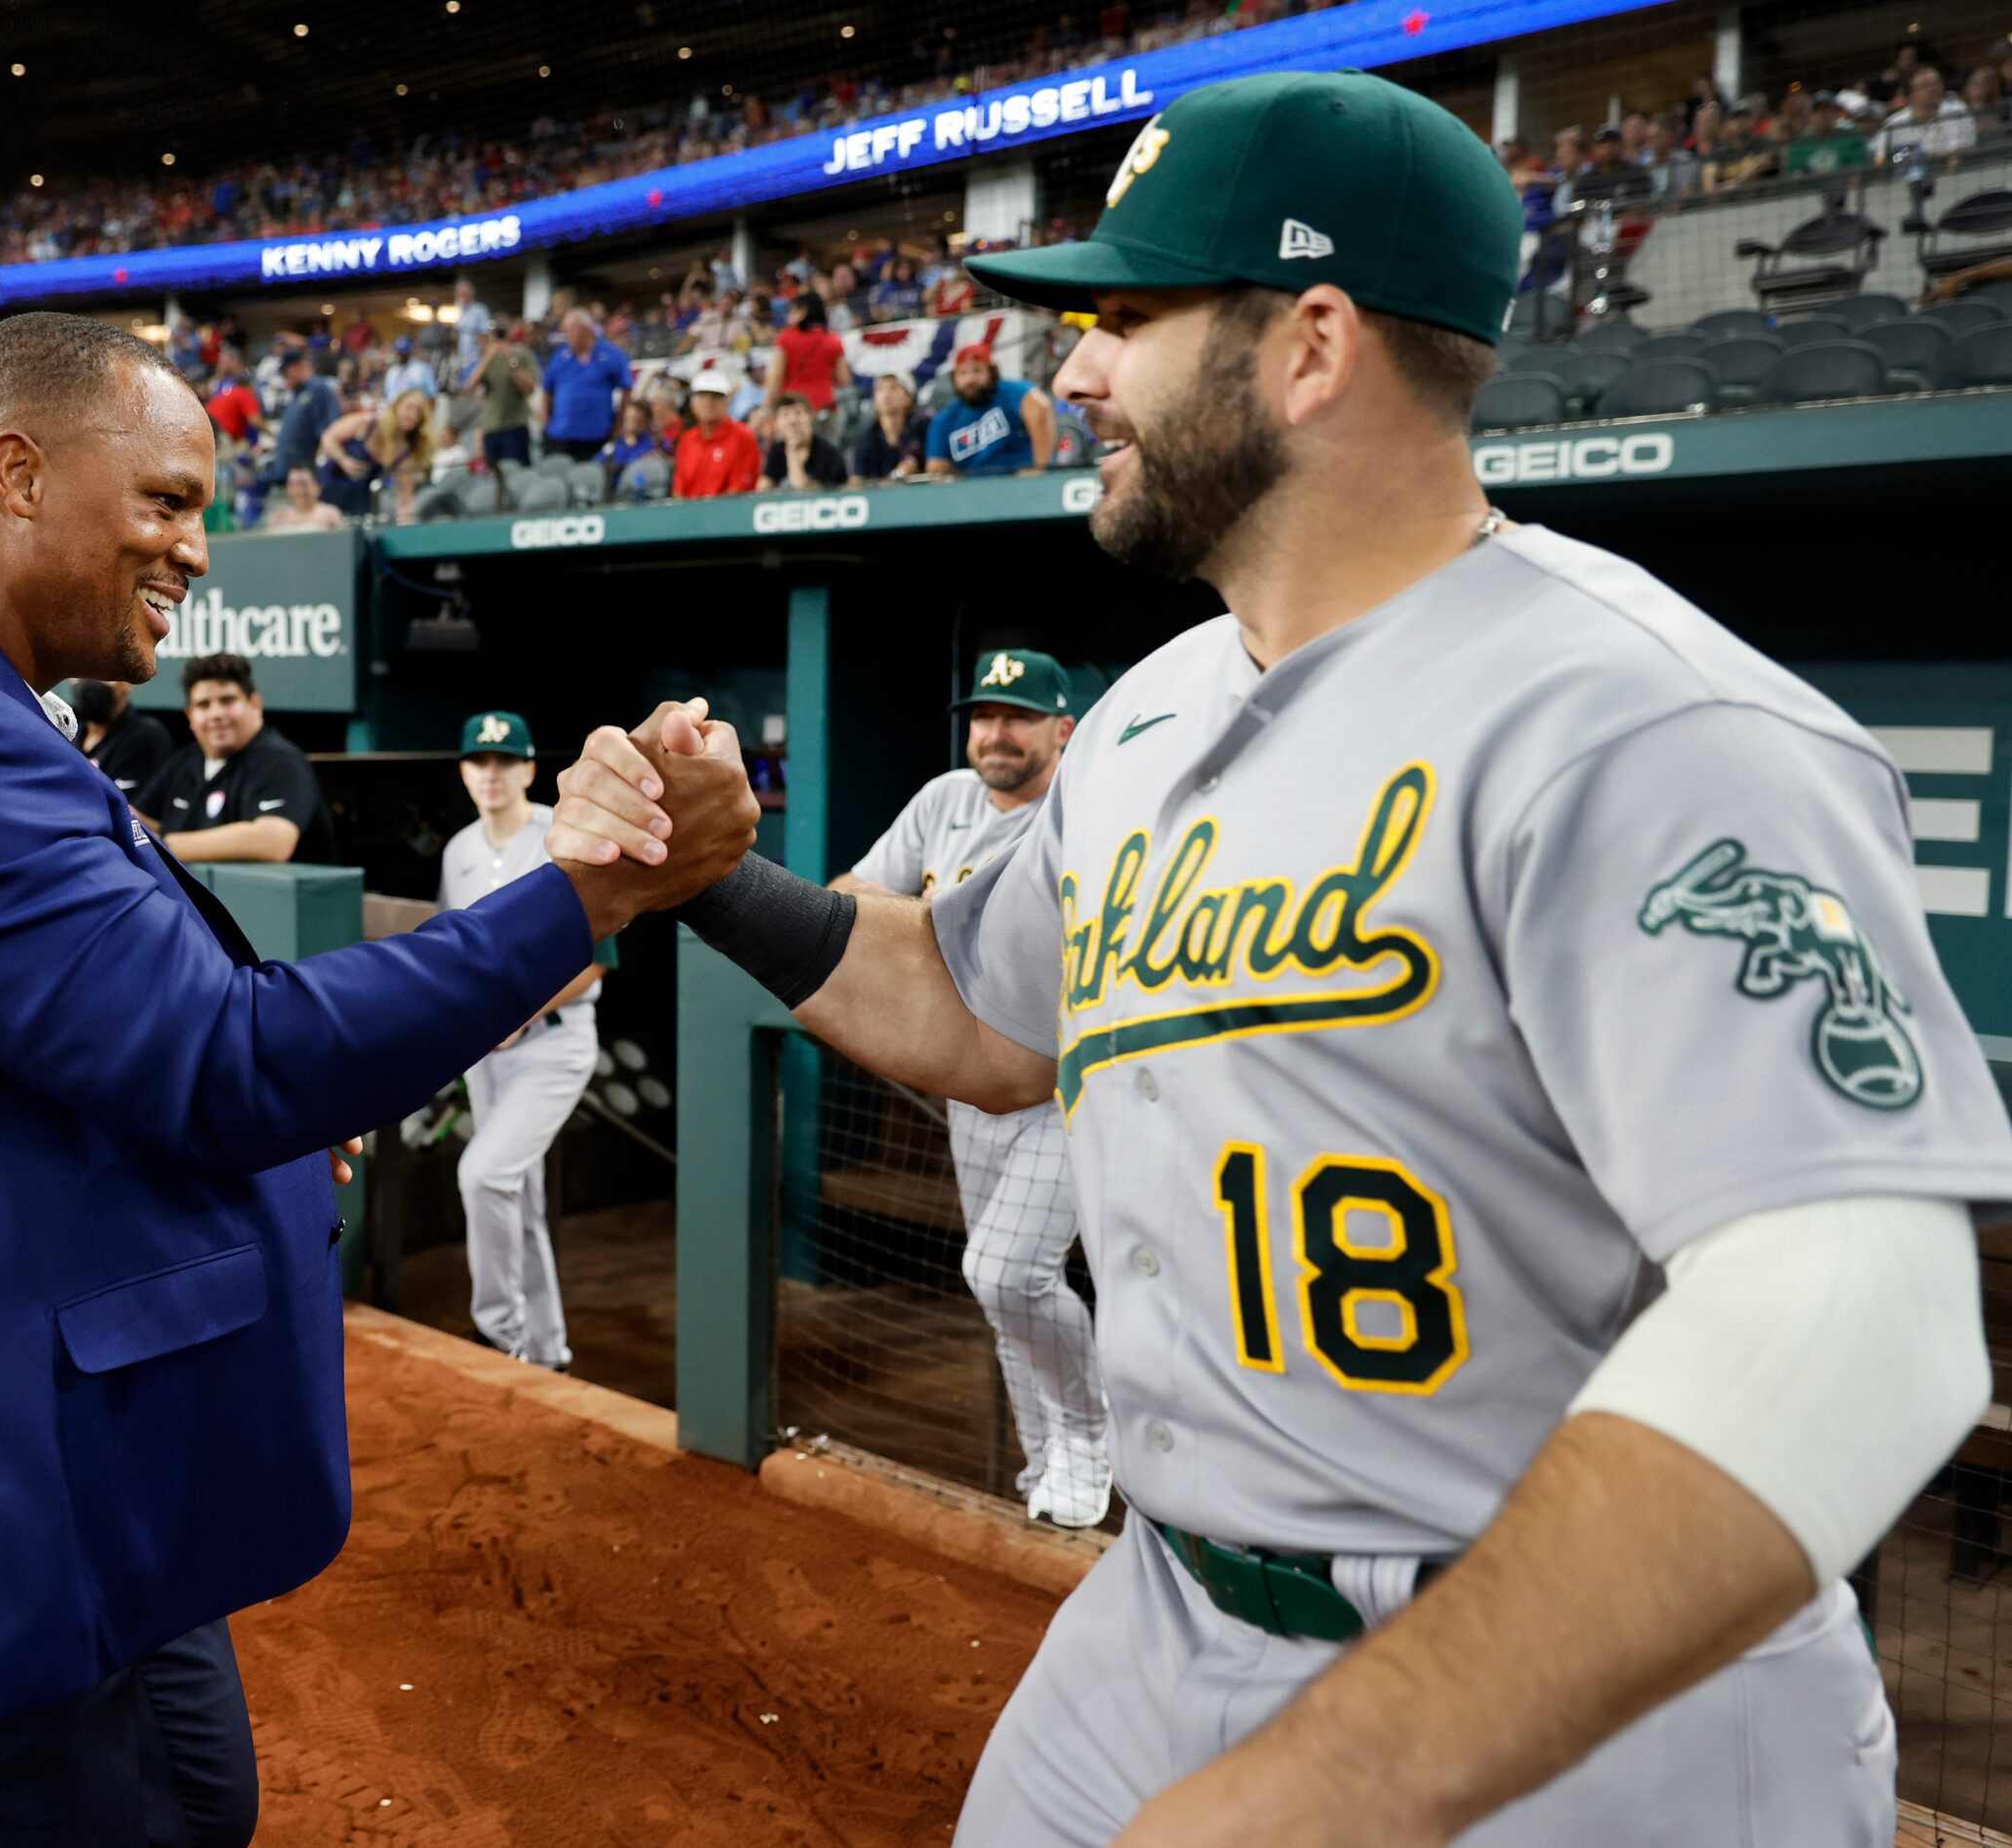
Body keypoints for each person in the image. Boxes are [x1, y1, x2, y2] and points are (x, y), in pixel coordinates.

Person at [551, 68, 2003, 1846]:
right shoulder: (1155, 709)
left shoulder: (1639, 722)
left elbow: (1867, 1313)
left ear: (1309, 345)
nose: (1068, 374)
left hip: (1577, 1690)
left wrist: (1342, 1777)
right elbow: (978, 1004)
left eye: (1130, 318)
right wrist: (717, 878)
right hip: (1164, 1603)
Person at [0, 311, 752, 1846]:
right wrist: (589, 888)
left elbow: (69, 1051)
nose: (195, 549)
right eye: (167, 501)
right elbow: (227, 1056)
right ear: (21, 473)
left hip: (21, 1469)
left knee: (201, 1800)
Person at [830, 647, 1113, 1525]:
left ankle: (1096, 1442)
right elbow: (848, 891)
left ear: (1063, 730)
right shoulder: (944, 801)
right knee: (1002, 1297)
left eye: (1019, 715)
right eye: (985, 715)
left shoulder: (1089, 806)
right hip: (966, 1083)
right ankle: (1050, 1471)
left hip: (1057, 1084)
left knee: (1004, 1272)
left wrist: (919, 933)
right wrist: (925, 928)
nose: (995, 732)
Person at [439, 710, 622, 1370]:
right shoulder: (458, 850)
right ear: (464, 771)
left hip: (551, 1041)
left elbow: (601, 955)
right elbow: (452, 952)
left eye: (505, 760)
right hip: (483, 1052)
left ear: (529, 769)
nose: (492, 773)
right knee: (516, 1200)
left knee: (484, 1175)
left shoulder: (561, 834)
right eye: (479, 761)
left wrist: (519, 1011)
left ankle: (499, 1332)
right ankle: (547, 1353)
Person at [135, 652, 335, 864]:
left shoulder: (281, 760)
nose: (216, 714)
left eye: (227, 700)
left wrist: (162, 845)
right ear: (190, 716)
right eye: (203, 705)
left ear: (255, 704)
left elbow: (273, 842)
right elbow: (138, 820)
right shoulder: (184, 761)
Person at [925, 344, 1055, 478]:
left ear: (991, 373)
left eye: (977, 371)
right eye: (963, 373)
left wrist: (1040, 469)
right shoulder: (945, 419)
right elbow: (936, 469)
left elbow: (1040, 406)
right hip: (973, 490)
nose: (970, 379)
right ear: (954, 378)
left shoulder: (1010, 392)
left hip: (1019, 481)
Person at [317, 389, 433, 523]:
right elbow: (328, 437)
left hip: (360, 504)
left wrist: (406, 526)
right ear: (396, 407)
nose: (411, 415)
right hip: (330, 487)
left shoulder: (406, 455)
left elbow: (405, 498)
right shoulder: (367, 423)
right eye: (408, 408)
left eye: (418, 412)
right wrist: (343, 460)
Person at [535, 309, 633, 462]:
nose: (566, 335)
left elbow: (627, 387)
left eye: (569, 330)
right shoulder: (560, 356)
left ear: (585, 329)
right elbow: (547, 389)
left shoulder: (611, 354)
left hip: (595, 436)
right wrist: (545, 420)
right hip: (559, 436)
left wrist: (619, 421)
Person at [72, 679, 173, 804]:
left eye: (103, 671)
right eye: (82, 669)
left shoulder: (146, 736)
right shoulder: (62, 735)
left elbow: (127, 813)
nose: (90, 680)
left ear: (128, 682)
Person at [671, 369, 762, 499]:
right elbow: (679, 491)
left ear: (726, 401)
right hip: (689, 515)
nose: (708, 402)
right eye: (702, 396)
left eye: (716, 396)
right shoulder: (687, 440)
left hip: (728, 514)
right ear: (692, 403)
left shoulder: (742, 436)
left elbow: (739, 491)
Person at [464, 322, 539, 469]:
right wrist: (487, 358)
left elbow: (529, 389)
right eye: (494, 333)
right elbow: (469, 387)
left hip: (515, 426)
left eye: (501, 332)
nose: (498, 338)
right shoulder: (485, 356)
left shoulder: (522, 354)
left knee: (515, 473)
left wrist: (510, 359)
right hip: (491, 427)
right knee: (493, 476)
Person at [763, 292, 848, 417]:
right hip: (826, 407)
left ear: (803, 312)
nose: (788, 316)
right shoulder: (833, 339)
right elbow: (844, 379)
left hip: (794, 408)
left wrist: (768, 406)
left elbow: (776, 378)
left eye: (792, 311)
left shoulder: (785, 338)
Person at [1876, 64, 1978, 162]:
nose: (1933, 89)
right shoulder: (1893, 125)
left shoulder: (1958, 112)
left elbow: (1961, 152)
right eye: (1925, 86)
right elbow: (1882, 159)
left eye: (1936, 83)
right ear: (1910, 94)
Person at [270, 350, 343, 481]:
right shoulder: (297, 393)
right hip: (290, 474)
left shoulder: (318, 390)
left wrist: (321, 471)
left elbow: (328, 432)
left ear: (297, 368)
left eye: (286, 374)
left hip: (307, 475)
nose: (285, 380)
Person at [849, 372, 932, 483]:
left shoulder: (922, 427)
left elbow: (912, 461)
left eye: (893, 388)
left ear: (909, 397)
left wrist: (896, 477)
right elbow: (858, 480)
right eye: (880, 389)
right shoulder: (865, 441)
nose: (886, 394)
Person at [759, 393, 847, 491]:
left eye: (798, 413)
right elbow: (762, 488)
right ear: (776, 423)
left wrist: (792, 450)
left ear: (810, 417)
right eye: (785, 415)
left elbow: (802, 494)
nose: (793, 421)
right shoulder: (777, 451)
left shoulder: (827, 452)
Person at [259, 464, 348, 533]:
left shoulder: (329, 513)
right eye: (294, 485)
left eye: (304, 484)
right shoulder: (278, 517)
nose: (300, 491)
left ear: (318, 486)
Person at [451, 276, 492, 377]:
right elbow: (456, 335)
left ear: (470, 294)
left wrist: (483, 358)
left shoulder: (480, 310)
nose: (461, 296)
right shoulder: (459, 312)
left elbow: (485, 334)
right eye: (459, 294)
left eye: (464, 293)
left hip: (476, 359)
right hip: (461, 360)